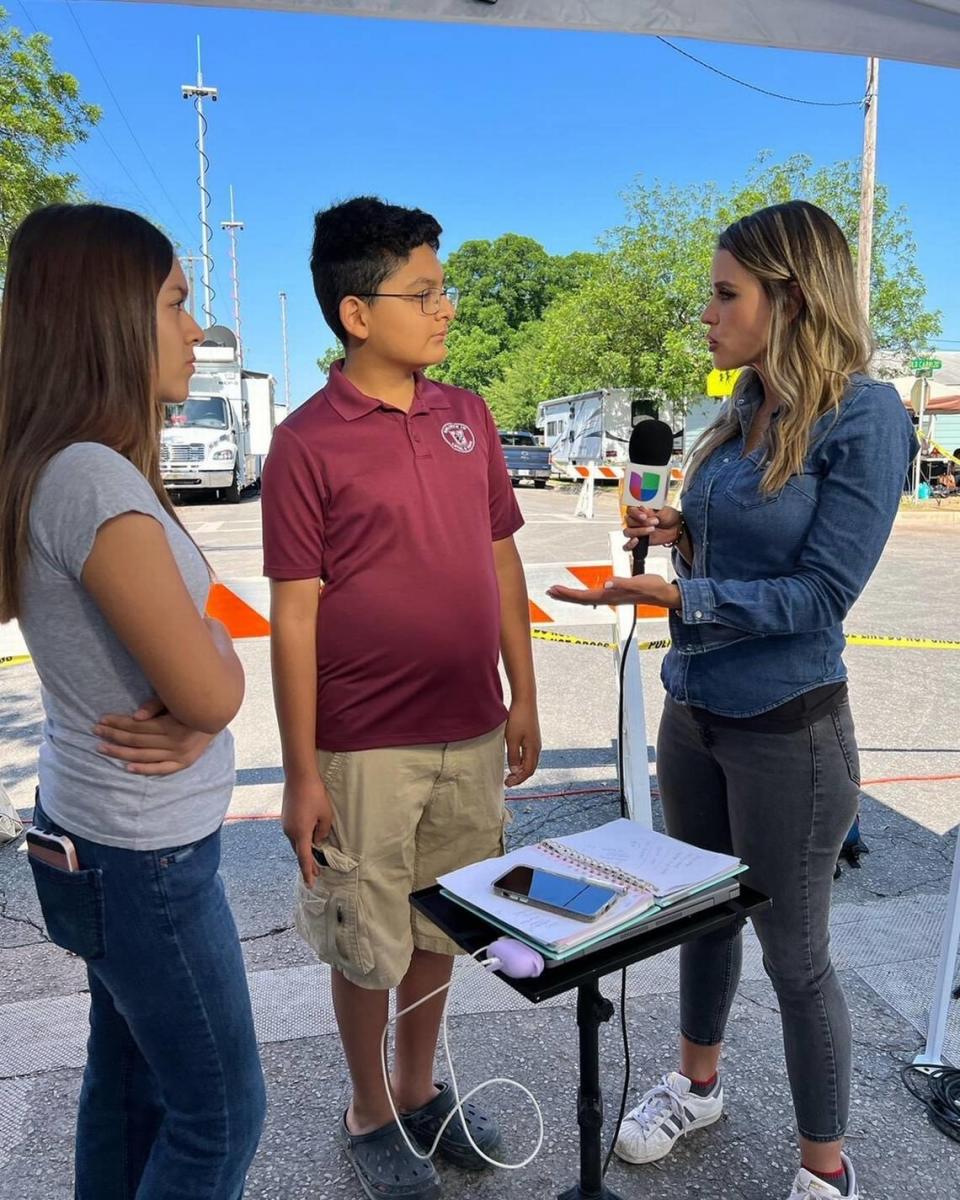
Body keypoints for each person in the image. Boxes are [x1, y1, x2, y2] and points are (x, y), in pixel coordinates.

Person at [548, 200, 917, 1200]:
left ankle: (826, 1171)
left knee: (794, 955)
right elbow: (747, 538)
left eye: (725, 293)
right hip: (696, 712)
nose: (705, 312)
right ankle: (696, 1085)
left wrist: (679, 592)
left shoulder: (866, 416)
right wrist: (675, 529)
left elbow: (819, 596)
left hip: (788, 731)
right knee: (699, 917)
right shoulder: (742, 405)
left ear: (791, 300)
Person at [261, 196, 541, 1200]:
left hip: (470, 729)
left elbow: (501, 561)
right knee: (365, 936)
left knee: (441, 925)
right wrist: (301, 773)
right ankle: (368, 1108)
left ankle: (420, 1091)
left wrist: (525, 692)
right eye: (422, 292)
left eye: (443, 288)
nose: (445, 308)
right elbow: (295, 616)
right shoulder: (306, 444)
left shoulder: (466, 415)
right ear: (355, 313)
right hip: (364, 745)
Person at [0, 204, 266, 1199]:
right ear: (106, 317)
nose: (196, 330)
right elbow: (208, 687)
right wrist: (221, 675)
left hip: (95, 838)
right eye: (175, 302)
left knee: (129, 1089)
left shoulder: (52, 465)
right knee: (222, 1114)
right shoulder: (96, 481)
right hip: (144, 859)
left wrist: (205, 675)